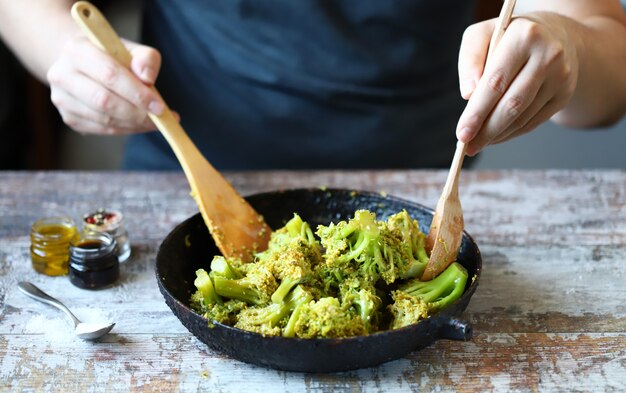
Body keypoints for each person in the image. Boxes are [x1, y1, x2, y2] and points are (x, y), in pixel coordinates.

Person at [0, 1, 625, 170]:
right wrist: (68, 54)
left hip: (416, 191)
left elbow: (609, 72)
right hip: (184, 177)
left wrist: (565, 45)